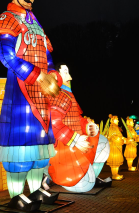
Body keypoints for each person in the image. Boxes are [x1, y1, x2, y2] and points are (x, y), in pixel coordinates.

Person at [0, 0, 61, 211]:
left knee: (40, 150)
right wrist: (38, 75)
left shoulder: (37, 28)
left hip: (42, 97)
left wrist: (52, 76)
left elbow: (48, 58)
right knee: (20, 150)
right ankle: (17, 195)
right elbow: (6, 55)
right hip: (20, 93)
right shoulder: (7, 19)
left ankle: (39, 189)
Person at [47, 64, 110, 192]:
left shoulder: (69, 94)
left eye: (68, 71)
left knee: (103, 144)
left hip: (77, 142)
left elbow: (76, 118)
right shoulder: (58, 95)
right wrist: (74, 139)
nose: (69, 76)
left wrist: (87, 126)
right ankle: (48, 174)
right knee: (86, 185)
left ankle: (91, 173)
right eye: (65, 72)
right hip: (64, 147)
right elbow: (54, 123)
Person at [106, 115, 126, 180]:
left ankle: (116, 174)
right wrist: (121, 140)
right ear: (113, 120)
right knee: (114, 162)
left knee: (117, 162)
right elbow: (112, 137)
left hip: (117, 146)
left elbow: (119, 136)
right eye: (117, 119)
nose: (118, 121)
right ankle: (114, 175)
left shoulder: (116, 127)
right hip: (114, 146)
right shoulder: (112, 127)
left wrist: (125, 139)